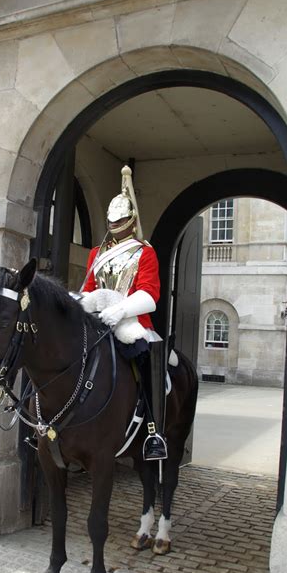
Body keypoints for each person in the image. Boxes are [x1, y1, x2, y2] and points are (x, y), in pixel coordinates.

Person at [80, 166, 167, 461]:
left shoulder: (145, 252)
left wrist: (119, 311)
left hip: (131, 320)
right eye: (112, 220)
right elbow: (90, 287)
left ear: (132, 221)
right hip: (98, 318)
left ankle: (153, 432)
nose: (116, 225)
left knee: (148, 359)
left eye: (121, 220)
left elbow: (149, 294)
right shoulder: (96, 253)